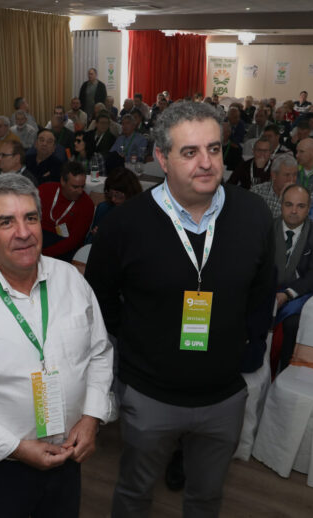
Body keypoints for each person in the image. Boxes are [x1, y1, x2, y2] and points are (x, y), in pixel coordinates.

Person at [85, 101, 275, 517]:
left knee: (206, 497)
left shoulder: (254, 215)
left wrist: (245, 345)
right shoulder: (124, 224)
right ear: (161, 159)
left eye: (214, 148)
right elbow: (99, 298)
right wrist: (139, 344)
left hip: (223, 395)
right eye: (190, 152)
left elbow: (263, 292)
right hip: (149, 395)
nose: (206, 163)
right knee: (134, 493)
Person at [0, 173, 114, 518]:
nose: (24, 232)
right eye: (6, 222)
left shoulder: (71, 280)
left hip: (68, 460)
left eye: (30, 218)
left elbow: (99, 353)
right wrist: (14, 448)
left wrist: (91, 417)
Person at [271, 184, 313, 372]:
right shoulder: (267, 228)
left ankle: (284, 373)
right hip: (267, 290)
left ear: (309, 208)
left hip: (298, 292)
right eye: (289, 204)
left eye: (300, 206)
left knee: (293, 324)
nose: (294, 211)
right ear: (281, 205)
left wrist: (287, 294)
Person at [38, 161, 94, 261]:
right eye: (75, 187)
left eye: (83, 186)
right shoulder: (44, 190)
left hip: (64, 249)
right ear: (63, 182)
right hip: (38, 238)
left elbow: (73, 241)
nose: (80, 191)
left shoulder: (87, 204)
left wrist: (43, 255)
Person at [86, 167, 142, 243]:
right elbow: (89, 241)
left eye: (118, 195)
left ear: (131, 193)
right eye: (110, 194)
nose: (113, 199)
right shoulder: (104, 208)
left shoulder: (140, 214)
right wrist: (96, 236)